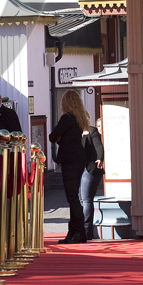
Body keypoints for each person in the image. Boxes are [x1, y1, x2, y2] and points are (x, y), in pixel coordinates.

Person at [50, 90, 89, 244]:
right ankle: (77, 232)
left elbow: (53, 136)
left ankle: (77, 231)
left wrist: (60, 139)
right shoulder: (80, 118)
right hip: (79, 159)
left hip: (69, 160)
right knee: (75, 197)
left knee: (72, 197)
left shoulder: (66, 118)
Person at [79, 117, 105, 241]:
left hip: (90, 168)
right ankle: (84, 230)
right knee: (82, 199)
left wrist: (100, 158)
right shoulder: (75, 132)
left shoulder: (91, 130)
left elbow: (98, 146)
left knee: (86, 200)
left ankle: (86, 231)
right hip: (81, 169)